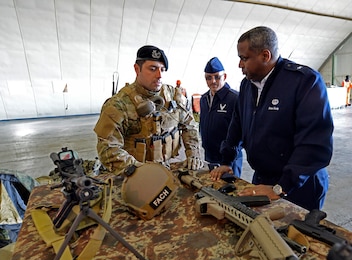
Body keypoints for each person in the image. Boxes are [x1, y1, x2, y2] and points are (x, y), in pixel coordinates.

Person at [210, 26, 334, 211]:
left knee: (292, 237)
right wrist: (227, 160)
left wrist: (281, 187)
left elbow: (315, 144)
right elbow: (237, 124)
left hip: (299, 184)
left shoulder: (304, 82)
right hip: (263, 178)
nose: (240, 65)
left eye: (244, 58)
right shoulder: (247, 85)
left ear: (265, 56)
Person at [94, 45, 203, 174]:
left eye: (162, 70)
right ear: (137, 69)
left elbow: (189, 125)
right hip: (136, 173)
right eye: (152, 69)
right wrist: (141, 171)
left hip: (171, 166)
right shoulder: (118, 105)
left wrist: (194, 153)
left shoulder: (174, 96)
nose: (159, 75)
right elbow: (108, 149)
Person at [200, 57, 243, 177]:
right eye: (208, 77)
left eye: (217, 77)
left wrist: (230, 157)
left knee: (230, 192)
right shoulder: (204, 99)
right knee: (211, 190)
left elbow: (241, 132)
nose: (213, 81)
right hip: (209, 155)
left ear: (225, 77)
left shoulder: (235, 99)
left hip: (229, 159)